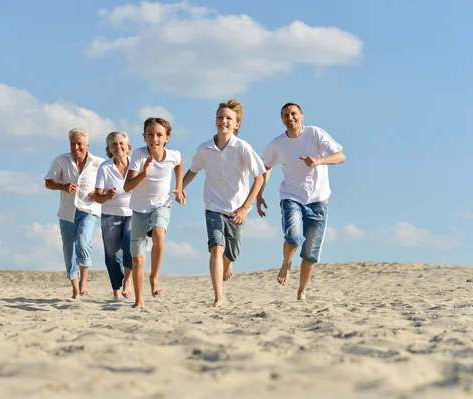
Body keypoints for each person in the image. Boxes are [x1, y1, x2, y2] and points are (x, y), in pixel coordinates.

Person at [257, 103, 345, 300]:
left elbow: (341, 156)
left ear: (302, 116)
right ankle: (286, 263)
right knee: (294, 237)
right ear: (282, 120)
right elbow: (266, 167)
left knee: (310, 254)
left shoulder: (314, 134)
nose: (290, 118)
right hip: (292, 197)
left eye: (294, 114)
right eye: (286, 115)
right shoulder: (278, 144)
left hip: (318, 200)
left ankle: (301, 291)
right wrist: (259, 193)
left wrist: (318, 161)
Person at [183, 99, 265, 308]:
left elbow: (260, 177)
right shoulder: (205, 148)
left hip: (237, 209)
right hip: (213, 207)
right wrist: (179, 187)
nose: (224, 121)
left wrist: (245, 208)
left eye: (229, 118)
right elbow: (193, 169)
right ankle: (219, 296)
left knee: (232, 252)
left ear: (236, 124)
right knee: (216, 248)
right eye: (220, 117)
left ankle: (228, 264)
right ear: (215, 121)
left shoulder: (243, 148)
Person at [123, 117, 185, 309]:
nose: (154, 138)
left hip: (161, 204)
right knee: (138, 258)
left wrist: (179, 187)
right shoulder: (139, 156)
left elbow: (180, 164)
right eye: (150, 134)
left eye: (159, 135)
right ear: (144, 137)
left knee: (159, 233)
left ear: (167, 138)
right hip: (139, 209)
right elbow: (127, 187)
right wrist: (143, 173)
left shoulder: (173, 155)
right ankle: (139, 300)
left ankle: (155, 276)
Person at [44, 128, 104, 299]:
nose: (76, 147)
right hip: (67, 212)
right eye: (73, 144)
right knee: (69, 250)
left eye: (80, 144)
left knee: (84, 241)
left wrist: (99, 194)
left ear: (87, 145)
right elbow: (48, 182)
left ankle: (84, 282)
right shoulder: (61, 160)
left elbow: (110, 182)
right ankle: (75, 289)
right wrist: (62, 186)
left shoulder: (98, 163)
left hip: (88, 210)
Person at [92, 131, 133, 301]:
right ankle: (116, 290)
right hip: (110, 214)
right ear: (109, 149)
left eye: (121, 143)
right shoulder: (105, 167)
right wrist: (107, 195)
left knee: (131, 246)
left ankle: (128, 282)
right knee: (112, 254)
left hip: (133, 213)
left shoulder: (135, 164)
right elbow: (97, 196)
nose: (118, 147)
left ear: (127, 145)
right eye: (114, 145)